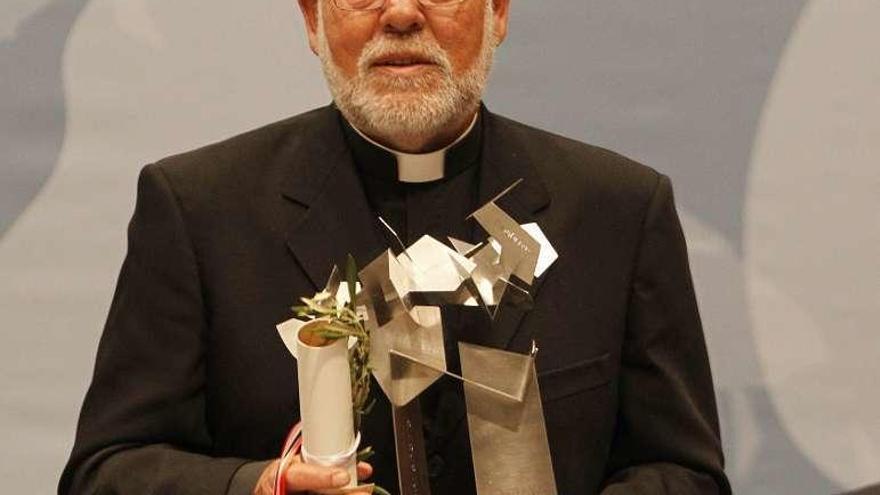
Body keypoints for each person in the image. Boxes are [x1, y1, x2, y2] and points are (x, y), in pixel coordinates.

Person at [60, 0, 731, 493]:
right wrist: (257, 486)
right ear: (310, 19)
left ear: (498, 11)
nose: (402, 14)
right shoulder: (200, 209)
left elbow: (685, 473)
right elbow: (105, 471)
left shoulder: (617, 211)